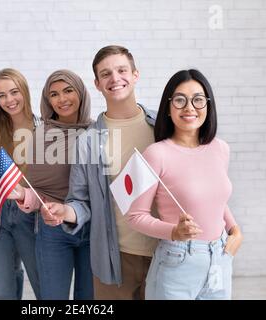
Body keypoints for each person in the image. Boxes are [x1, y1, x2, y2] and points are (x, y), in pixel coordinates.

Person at [42, 45, 158, 299]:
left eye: (121, 70)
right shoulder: (89, 141)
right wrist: (66, 211)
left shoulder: (162, 127)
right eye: (106, 74)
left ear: (136, 74)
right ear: (97, 83)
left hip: (166, 254)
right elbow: (80, 200)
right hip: (115, 259)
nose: (115, 78)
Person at [126, 69, 243, 300]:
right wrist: (174, 232)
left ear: (208, 105)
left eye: (198, 99)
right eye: (180, 100)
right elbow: (135, 216)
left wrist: (235, 231)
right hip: (177, 262)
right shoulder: (156, 154)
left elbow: (216, 198)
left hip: (220, 258)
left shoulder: (220, 148)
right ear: (168, 108)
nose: (189, 107)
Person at [9, 70, 93, 299]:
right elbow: (37, 191)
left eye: (68, 90)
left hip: (94, 229)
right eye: (54, 94)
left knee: (89, 298)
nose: (62, 99)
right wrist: (22, 194)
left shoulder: (98, 132)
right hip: (53, 228)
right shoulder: (40, 136)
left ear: (81, 92)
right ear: (48, 101)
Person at [0, 68, 41, 300]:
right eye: (1, 95)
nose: (9, 100)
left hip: (31, 215)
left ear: (24, 91)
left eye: (14, 92)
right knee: (4, 291)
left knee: (43, 285)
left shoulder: (43, 130)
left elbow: (50, 182)